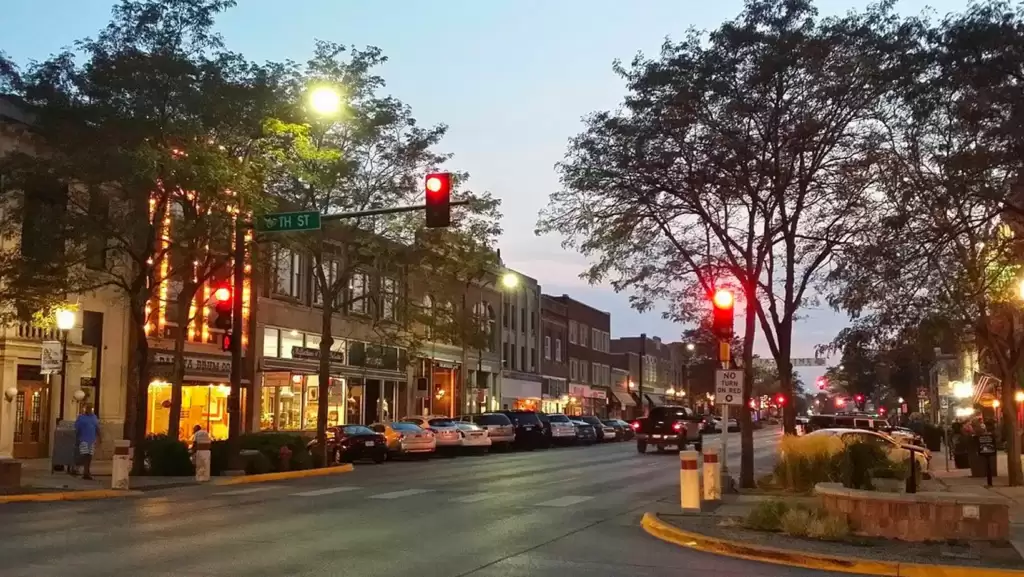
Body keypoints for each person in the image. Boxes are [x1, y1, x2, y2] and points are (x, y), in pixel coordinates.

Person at [74, 404, 101, 480]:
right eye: (88, 408)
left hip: (92, 440)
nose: (90, 410)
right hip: (83, 439)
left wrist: (99, 437)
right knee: (85, 456)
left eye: (91, 408)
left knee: (89, 456)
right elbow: (77, 429)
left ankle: (87, 471)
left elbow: (97, 428)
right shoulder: (81, 418)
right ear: (86, 409)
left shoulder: (94, 417)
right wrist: (77, 439)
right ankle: (85, 472)